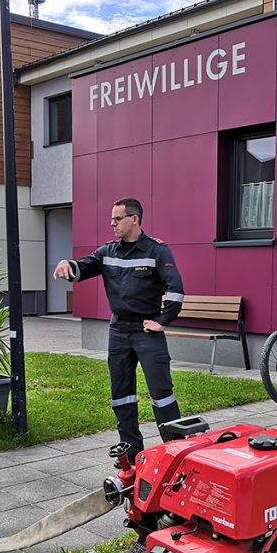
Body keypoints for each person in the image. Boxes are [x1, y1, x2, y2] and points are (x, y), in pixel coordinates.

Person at [53, 197, 185, 460]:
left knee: (161, 392)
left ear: (134, 219)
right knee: (121, 393)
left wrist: (162, 320)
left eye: (117, 219)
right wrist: (67, 265)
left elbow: (176, 290)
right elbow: (82, 267)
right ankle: (131, 449)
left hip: (147, 332)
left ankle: (176, 450)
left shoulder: (157, 251)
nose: (112, 224)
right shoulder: (107, 252)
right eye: (111, 219)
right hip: (118, 331)